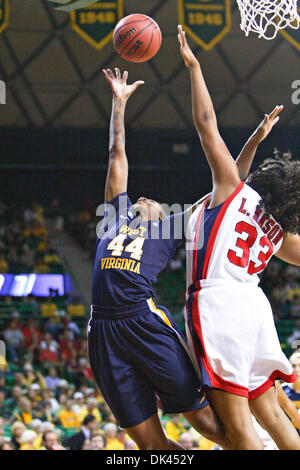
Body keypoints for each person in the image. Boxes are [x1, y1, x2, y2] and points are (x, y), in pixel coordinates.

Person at [88, 66, 284, 451]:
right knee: (150, 445)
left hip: (143, 321)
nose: (143, 198)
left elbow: (229, 186)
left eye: (152, 202)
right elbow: (117, 154)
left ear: (162, 212)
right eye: (139, 198)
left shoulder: (174, 225)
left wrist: (253, 142)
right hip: (102, 331)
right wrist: (118, 103)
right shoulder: (114, 217)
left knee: (208, 424)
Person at [177, 24, 300, 450]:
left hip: (219, 304)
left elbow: (206, 124)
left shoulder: (233, 192)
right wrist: (251, 141)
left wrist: (194, 68)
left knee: (237, 428)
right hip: (255, 307)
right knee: (269, 412)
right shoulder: (277, 229)